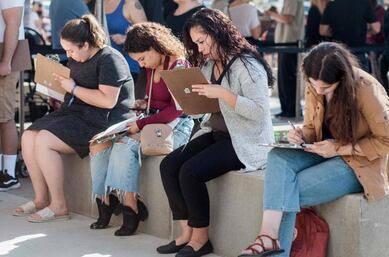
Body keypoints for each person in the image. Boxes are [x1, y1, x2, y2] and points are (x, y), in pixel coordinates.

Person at [239, 42, 389, 257]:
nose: (318, 90)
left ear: (342, 79)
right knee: (277, 156)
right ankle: (268, 239)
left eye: (325, 88)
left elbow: (388, 141)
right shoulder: (315, 82)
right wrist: (301, 136)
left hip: (360, 162)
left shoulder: (366, 89)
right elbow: (313, 130)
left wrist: (339, 148)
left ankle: (269, 242)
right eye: (314, 85)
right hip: (323, 151)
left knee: (285, 192)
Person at [157, 8, 275, 257]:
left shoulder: (247, 64)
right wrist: (191, 99)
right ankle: (185, 234)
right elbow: (208, 111)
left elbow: (260, 112)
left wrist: (222, 94)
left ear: (217, 33)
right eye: (196, 44)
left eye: (201, 41)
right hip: (218, 133)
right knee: (168, 165)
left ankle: (200, 239)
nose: (199, 49)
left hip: (246, 140)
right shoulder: (211, 64)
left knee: (190, 172)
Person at [13, 15, 135, 222]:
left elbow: (107, 101)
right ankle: (41, 198)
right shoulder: (78, 58)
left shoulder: (110, 59)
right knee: (28, 136)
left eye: (71, 50)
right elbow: (73, 91)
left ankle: (59, 205)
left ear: (86, 44)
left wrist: (74, 88)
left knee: (43, 140)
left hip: (102, 120)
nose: (68, 55)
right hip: (77, 113)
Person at [88, 22, 194, 236]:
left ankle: (130, 206)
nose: (142, 65)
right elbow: (159, 102)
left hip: (178, 126)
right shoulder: (155, 65)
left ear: (155, 47)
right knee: (97, 145)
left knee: (124, 144)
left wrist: (141, 123)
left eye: (142, 58)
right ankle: (105, 200)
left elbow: (177, 109)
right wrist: (143, 104)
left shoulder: (179, 65)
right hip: (156, 122)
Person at [265, 0, 304, 119]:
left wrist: (271, 14)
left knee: (288, 78)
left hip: (290, 42)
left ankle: (290, 110)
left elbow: (288, 19)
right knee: (283, 78)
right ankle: (286, 109)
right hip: (285, 43)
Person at [0, 0, 24, 191]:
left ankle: (9, 175)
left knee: (4, 115)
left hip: (7, 50)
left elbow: (13, 23)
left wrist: (6, 61)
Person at [319, 0, 380, 69]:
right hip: (359, 51)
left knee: (339, 78)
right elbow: (376, 29)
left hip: (339, 52)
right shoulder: (364, 3)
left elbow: (323, 31)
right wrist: (366, 33)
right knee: (360, 78)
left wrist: (334, 33)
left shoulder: (331, 5)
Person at [105, 0, 147, 85]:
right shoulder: (99, 4)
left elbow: (146, 34)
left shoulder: (130, 3)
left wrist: (125, 38)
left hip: (127, 66)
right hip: (104, 64)